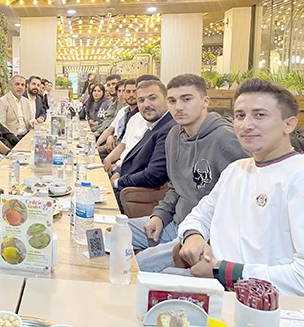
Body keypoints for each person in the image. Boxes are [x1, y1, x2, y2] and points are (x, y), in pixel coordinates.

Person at [176, 78, 304, 295]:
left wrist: (222, 271)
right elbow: (199, 216)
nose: (246, 125)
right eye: (240, 116)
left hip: (262, 302)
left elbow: (300, 277)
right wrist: (193, 236)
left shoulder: (298, 175)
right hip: (213, 287)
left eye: (259, 115)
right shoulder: (236, 170)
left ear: (288, 124)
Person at [128, 74, 247, 272]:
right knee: (113, 234)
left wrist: (201, 238)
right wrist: (160, 215)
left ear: (205, 101)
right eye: (172, 101)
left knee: (136, 265)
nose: (178, 107)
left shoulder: (226, 140)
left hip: (202, 237)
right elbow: (176, 186)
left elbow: (238, 207)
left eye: (186, 99)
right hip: (174, 222)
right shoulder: (174, 135)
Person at [112, 80, 176, 209]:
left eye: (152, 98)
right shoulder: (155, 126)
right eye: (141, 100)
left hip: (134, 198)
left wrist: (116, 183)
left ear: (166, 99)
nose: (146, 104)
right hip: (125, 185)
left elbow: (154, 175)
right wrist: (118, 172)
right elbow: (133, 158)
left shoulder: (168, 129)